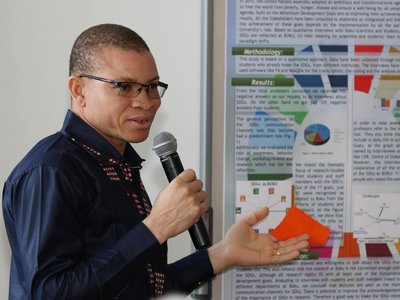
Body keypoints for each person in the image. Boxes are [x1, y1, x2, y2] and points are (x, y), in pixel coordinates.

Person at [2, 23, 309, 299]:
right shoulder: (51, 171)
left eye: (151, 86)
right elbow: (50, 294)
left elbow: (139, 285)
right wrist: (156, 227)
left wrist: (223, 254)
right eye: (124, 87)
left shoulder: (118, 165)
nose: (146, 101)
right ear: (79, 90)